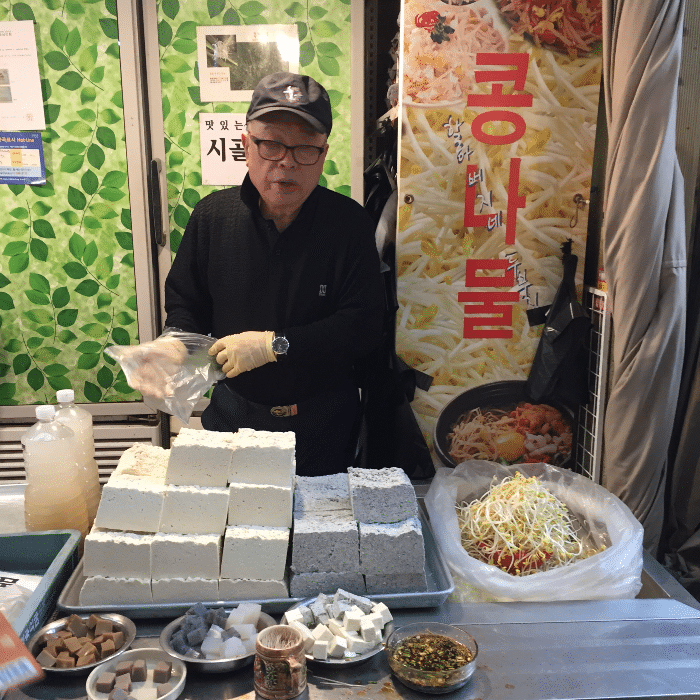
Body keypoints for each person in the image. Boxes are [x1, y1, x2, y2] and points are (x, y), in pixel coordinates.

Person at [160, 72, 384, 476]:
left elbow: (363, 326)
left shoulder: (349, 224)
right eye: (271, 144)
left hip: (323, 424)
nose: (286, 162)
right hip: (233, 415)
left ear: (323, 154)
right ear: (246, 146)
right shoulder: (212, 216)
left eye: (305, 148)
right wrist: (178, 345)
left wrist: (274, 344)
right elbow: (185, 302)